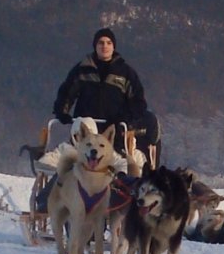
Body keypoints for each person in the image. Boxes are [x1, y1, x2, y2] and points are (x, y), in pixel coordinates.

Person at [52, 28, 160, 166]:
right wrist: (62, 111)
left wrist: (123, 119)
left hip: (114, 131)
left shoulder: (125, 72)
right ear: (95, 46)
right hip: (86, 130)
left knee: (120, 164)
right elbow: (67, 92)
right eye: (101, 43)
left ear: (113, 46)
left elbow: (138, 102)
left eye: (109, 43)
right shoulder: (83, 69)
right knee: (70, 159)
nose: (105, 46)